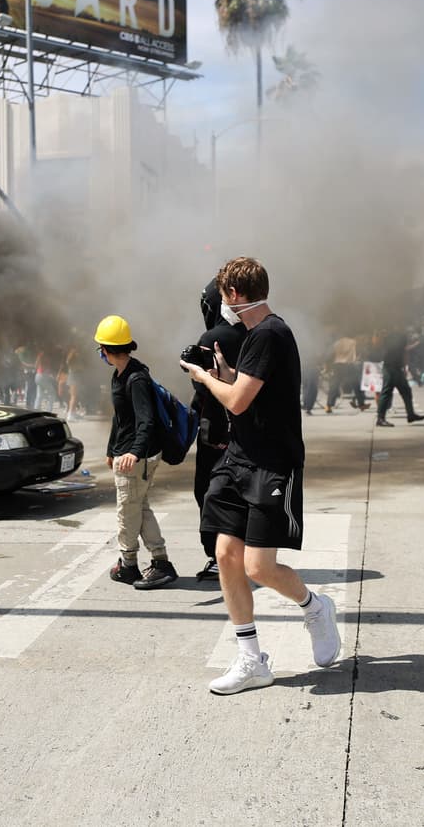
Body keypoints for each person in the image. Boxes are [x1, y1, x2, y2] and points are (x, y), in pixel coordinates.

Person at [180, 257, 340, 695]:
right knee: (227, 555)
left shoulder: (270, 333)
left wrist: (202, 377)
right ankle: (251, 660)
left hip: (273, 463)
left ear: (232, 295)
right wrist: (226, 375)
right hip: (239, 458)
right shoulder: (256, 335)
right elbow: (248, 390)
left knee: (258, 565)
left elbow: (234, 403)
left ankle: (315, 608)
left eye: (224, 295)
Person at [96, 315, 177, 590]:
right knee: (139, 509)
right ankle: (161, 562)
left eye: (101, 348)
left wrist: (134, 452)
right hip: (126, 454)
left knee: (127, 512)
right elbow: (120, 418)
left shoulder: (137, 378)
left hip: (137, 459)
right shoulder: (119, 374)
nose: (101, 353)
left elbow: (146, 420)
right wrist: (111, 449)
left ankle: (129, 565)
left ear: (107, 349)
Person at [190, 279, 247, 581]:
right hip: (248, 431)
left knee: (209, 493)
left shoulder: (212, 337)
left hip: (216, 431)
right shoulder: (255, 332)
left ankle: (217, 556)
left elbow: (203, 391)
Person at [375, 331, 424, 428]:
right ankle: (380, 418)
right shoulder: (400, 336)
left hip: (393, 368)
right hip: (391, 368)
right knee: (387, 392)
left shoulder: (389, 336)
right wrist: (405, 366)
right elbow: (404, 352)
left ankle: (411, 414)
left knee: (405, 391)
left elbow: (402, 352)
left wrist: (403, 367)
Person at [326, 334, 367, 412]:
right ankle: (361, 404)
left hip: (338, 365)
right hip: (349, 365)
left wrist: (328, 364)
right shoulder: (354, 342)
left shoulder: (337, 343)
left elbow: (330, 355)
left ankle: (329, 405)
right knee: (356, 385)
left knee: (334, 386)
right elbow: (360, 352)